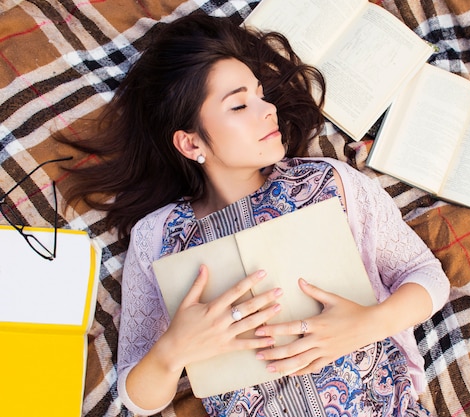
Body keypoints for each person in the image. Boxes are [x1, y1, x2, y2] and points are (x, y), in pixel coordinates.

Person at [61, 13, 450, 417]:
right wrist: (172, 350)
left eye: (262, 95)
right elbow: (138, 397)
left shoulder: (328, 183)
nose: (268, 110)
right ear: (191, 142)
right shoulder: (156, 237)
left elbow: (426, 274)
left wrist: (368, 324)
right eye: (239, 104)